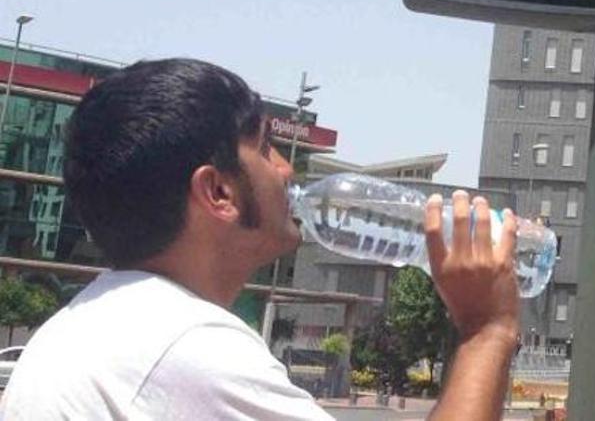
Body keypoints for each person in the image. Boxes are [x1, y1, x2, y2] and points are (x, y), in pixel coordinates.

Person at [0, 58, 519, 420]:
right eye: (266, 148)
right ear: (219, 191)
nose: (286, 169)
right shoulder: (179, 343)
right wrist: (486, 329)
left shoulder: (105, 321)